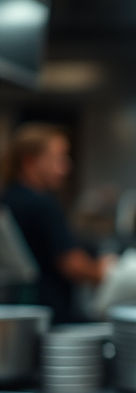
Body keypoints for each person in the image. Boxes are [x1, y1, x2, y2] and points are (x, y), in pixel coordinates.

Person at [0, 123, 114, 322]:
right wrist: (104, 271)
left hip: (21, 311)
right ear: (30, 161)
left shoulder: (8, 198)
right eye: (58, 159)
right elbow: (72, 264)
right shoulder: (42, 204)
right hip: (50, 312)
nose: (66, 167)